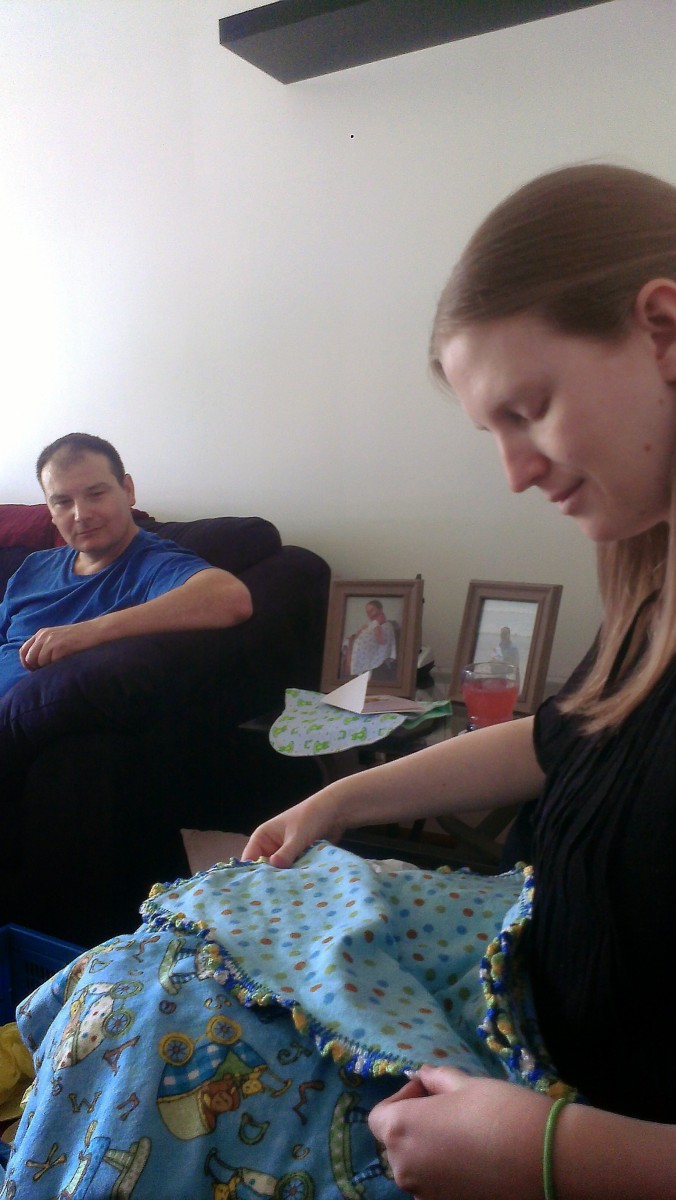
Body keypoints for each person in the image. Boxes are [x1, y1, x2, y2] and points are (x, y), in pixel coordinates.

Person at [3, 164, 675, 1199]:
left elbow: (225, 599)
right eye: (492, 432)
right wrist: (335, 801)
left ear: (663, 330)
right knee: (139, 969)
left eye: (530, 410)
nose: (515, 472)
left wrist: (549, 1151)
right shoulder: (649, 590)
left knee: (153, 1059)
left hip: (561, 1105)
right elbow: (563, 735)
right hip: (520, 953)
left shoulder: (159, 564)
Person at [0, 432, 252, 697]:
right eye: (62, 502)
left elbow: (230, 597)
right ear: (50, 511)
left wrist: (86, 633)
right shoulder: (35, 565)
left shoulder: (152, 563)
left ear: (128, 490)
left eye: (96, 494)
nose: (81, 515)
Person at [345, 598, 398, 679]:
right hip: (355, 652)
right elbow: (359, 634)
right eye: (368, 612)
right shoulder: (371, 624)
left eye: (372, 610)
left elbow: (381, 641)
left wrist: (375, 625)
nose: (370, 614)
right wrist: (358, 634)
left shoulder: (386, 626)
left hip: (369, 659)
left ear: (380, 610)